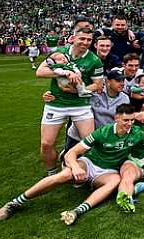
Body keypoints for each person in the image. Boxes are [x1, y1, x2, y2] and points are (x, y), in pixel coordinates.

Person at [0, 104, 144, 225]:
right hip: (89, 163)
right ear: (116, 119)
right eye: (125, 121)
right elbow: (72, 153)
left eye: (131, 121)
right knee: (63, 176)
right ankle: (14, 203)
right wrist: (75, 167)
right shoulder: (102, 132)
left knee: (114, 182)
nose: (128, 124)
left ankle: (77, 212)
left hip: (108, 171)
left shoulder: (136, 133)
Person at [36, 27, 104, 176]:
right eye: (82, 38)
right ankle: (52, 173)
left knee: (89, 142)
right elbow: (40, 72)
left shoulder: (94, 60)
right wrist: (66, 72)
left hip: (80, 105)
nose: (85, 42)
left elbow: (98, 85)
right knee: (46, 144)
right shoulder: (60, 53)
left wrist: (80, 90)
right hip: (56, 104)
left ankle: (87, 172)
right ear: (73, 38)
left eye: (88, 40)